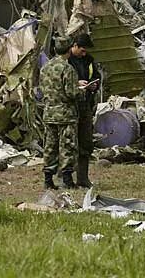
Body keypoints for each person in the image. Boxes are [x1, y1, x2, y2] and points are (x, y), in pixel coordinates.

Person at [39, 36, 84, 189]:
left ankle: (48, 179)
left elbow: (45, 89)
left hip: (49, 112)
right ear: (69, 49)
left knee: (50, 146)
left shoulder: (45, 67)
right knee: (67, 146)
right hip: (65, 114)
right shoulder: (67, 69)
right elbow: (71, 93)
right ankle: (67, 179)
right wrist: (82, 91)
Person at [68, 33, 99, 188]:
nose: (84, 53)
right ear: (74, 46)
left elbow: (97, 77)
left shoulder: (89, 61)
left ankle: (83, 177)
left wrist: (93, 86)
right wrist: (76, 84)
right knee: (67, 143)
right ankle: (66, 177)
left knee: (85, 141)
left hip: (85, 105)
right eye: (82, 50)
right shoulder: (66, 61)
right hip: (69, 107)